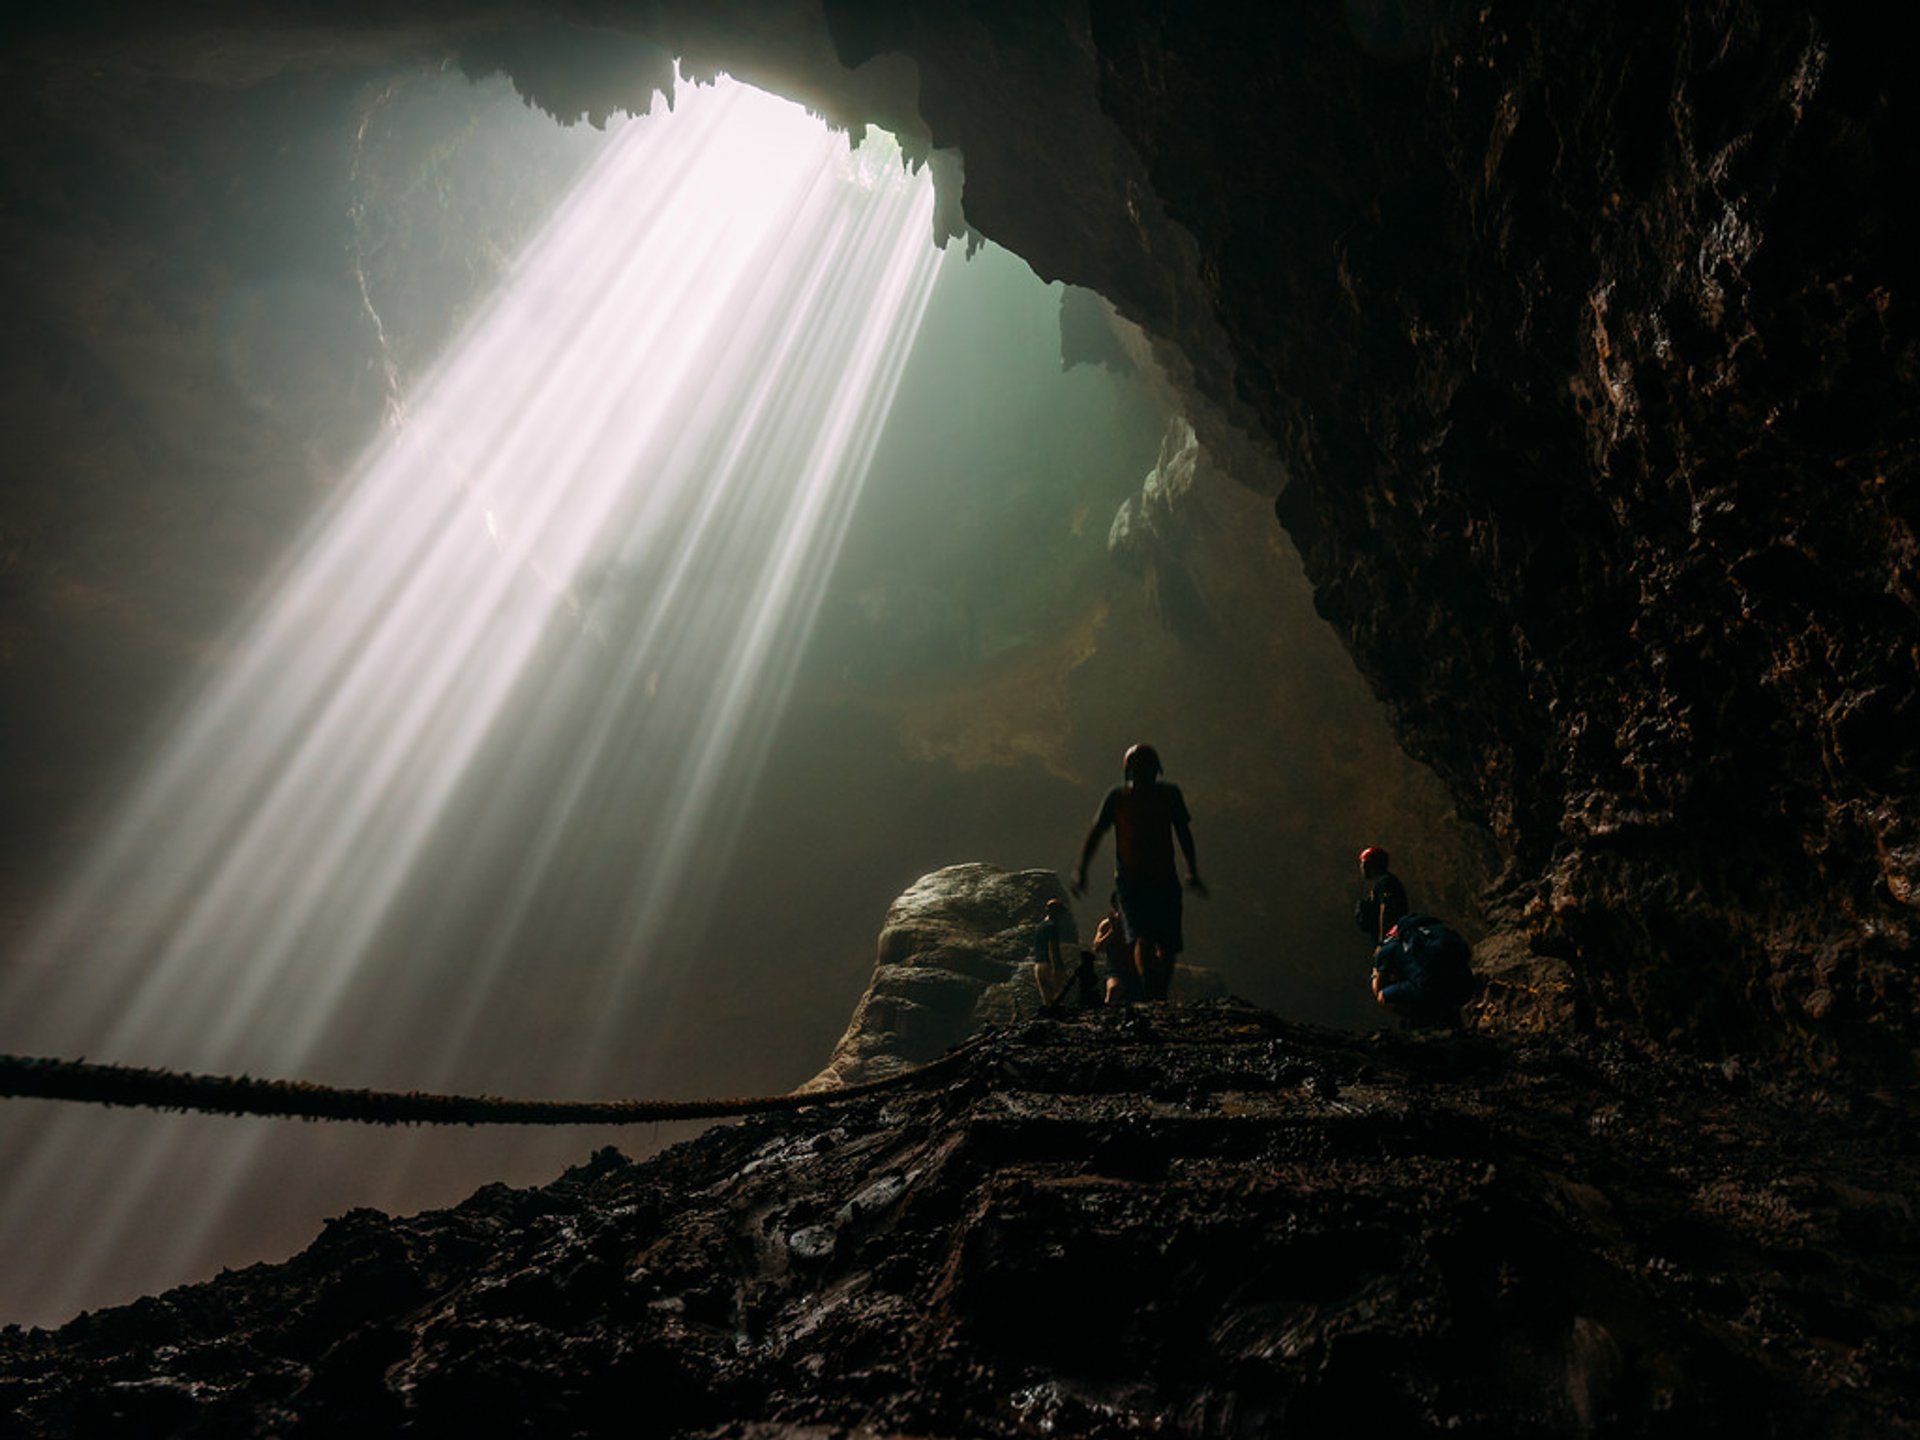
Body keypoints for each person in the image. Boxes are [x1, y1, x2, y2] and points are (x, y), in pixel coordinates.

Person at [1071, 743, 1206, 1001]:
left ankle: (1156, 992)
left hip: (1162, 878)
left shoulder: (1168, 796)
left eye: (1148, 769)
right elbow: (1097, 831)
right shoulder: (1119, 798)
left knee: (1165, 943)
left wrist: (1192, 869)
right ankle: (1151, 989)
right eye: (1140, 769)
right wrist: (1081, 869)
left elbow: (1182, 831)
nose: (1145, 774)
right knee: (1145, 936)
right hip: (1132, 882)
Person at [1354, 845, 1410, 947]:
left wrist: (1383, 942)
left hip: (1392, 941)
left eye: (1364, 864)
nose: (1362, 868)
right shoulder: (1385, 882)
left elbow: (1387, 911)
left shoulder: (1385, 883)